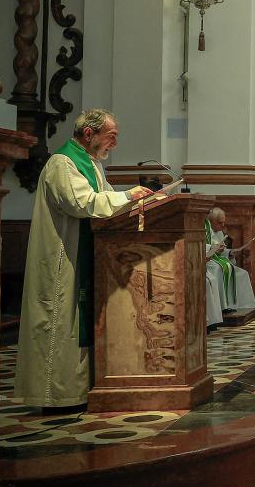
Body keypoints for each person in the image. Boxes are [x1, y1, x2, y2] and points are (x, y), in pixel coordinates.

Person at [17, 109, 153, 410]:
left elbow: (104, 200)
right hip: (63, 257)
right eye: (111, 137)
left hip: (83, 252)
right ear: (89, 134)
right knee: (61, 320)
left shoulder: (90, 164)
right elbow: (83, 203)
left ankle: (77, 390)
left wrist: (138, 201)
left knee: (76, 322)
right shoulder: (62, 164)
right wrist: (129, 196)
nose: (114, 144)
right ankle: (56, 395)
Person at [204, 206, 255, 329]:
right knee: (218, 270)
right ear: (211, 221)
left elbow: (220, 250)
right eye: (220, 223)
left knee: (242, 273)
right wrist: (214, 248)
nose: (223, 226)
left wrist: (229, 252)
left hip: (216, 259)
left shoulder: (217, 231)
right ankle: (222, 307)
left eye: (224, 222)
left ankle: (241, 305)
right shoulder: (203, 227)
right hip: (207, 260)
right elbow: (200, 246)